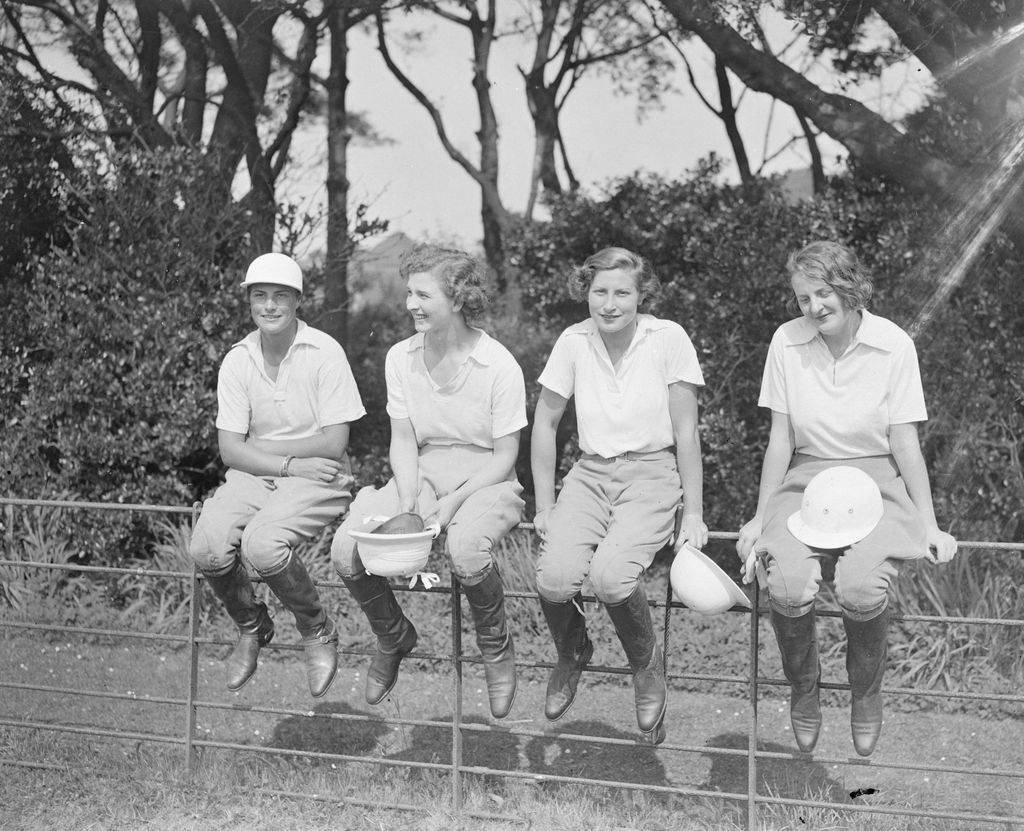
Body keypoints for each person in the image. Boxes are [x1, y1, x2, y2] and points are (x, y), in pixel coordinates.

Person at [736, 240, 957, 757]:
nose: (813, 308)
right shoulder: (786, 342)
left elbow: (905, 442)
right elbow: (780, 439)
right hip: (807, 475)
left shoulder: (894, 344)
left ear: (849, 287)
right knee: (787, 583)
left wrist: (928, 523)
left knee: (859, 587)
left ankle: (866, 693)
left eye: (823, 293)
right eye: (802, 298)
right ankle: (803, 688)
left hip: (876, 477)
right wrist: (761, 516)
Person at [331, 243, 526, 719]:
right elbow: (402, 439)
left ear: (457, 299)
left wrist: (456, 500)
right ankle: (393, 634)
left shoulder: (499, 364)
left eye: (423, 295)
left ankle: (496, 649)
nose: (410, 305)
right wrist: (406, 498)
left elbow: (506, 455)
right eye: (409, 293)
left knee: (465, 549)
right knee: (346, 547)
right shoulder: (401, 357)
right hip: (421, 468)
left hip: (487, 475)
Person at [531, 246, 707, 744]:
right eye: (600, 292)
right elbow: (545, 423)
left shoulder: (667, 338)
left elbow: (686, 431)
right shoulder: (573, 341)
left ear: (641, 295)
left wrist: (694, 512)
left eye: (622, 293)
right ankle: (572, 651)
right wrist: (544, 505)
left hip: (651, 473)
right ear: (585, 292)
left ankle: (646, 667)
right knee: (555, 578)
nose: (609, 304)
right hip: (590, 473)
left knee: (612, 577)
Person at [190, 252, 365, 698]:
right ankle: (252, 625)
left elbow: (333, 443)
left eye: (281, 296)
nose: (269, 306)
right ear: (249, 300)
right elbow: (230, 451)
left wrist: (260, 448)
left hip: (319, 474)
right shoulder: (238, 359)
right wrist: (285, 462)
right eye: (260, 296)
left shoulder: (324, 352)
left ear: (298, 301)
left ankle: (317, 629)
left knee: (263, 544)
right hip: (264, 473)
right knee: (207, 545)